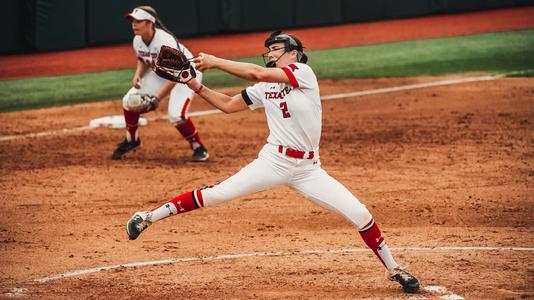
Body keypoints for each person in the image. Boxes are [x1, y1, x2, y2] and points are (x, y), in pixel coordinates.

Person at [126, 30, 420, 293]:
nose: (270, 52)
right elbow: (229, 105)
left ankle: (395, 268)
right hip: (273, 161)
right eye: (269, 49)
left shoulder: (303, 72)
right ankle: (148, 216)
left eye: (276, 48)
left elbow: (256, 73)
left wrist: (216, 61)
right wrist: (194, 85)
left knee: (359, 213)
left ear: (294, 52)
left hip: (308, 170)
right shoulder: (263, 88)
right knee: (218, 193)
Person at [112, 6, 209, 162]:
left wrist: (157, 98)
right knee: (128, 101)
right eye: (132, 21)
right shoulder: (137, 40)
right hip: (163, 73)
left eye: (138, 21)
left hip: (186, 74)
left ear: (150, 22)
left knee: (176, 115)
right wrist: (138, 75)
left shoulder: (165, 42)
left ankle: (198, 147)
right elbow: (143, 59)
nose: (134, 24)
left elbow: (174, 76)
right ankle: (132, 140)